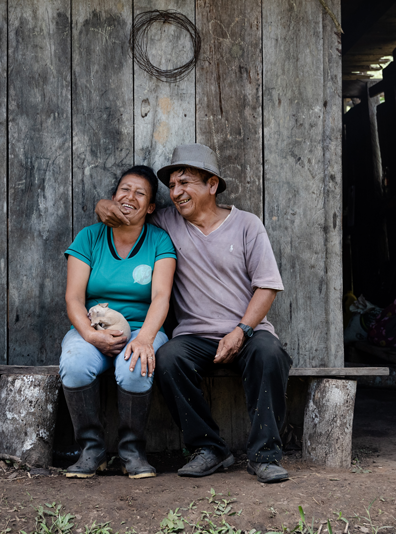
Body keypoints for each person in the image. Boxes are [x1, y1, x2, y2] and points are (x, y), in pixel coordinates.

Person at [96, 144, 293, 484]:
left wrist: (242, 331)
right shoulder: (166, 223)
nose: (176, 192)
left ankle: (265, 456)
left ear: (212, 185)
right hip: (195, 335)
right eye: (172, 186)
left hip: (246, 332)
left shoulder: (247, 225)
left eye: (185, 183)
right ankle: (209, 448)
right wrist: (103, 205)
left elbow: (267, 287)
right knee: (168, 357)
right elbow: (131, 211)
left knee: (270, 353)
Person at [61, 165, 177, 479]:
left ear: (151, 207)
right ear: (113, 197)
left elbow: (161, 298)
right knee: (74, 364)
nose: (130, 197)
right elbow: (73, 298)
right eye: (125, 189)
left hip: (142, 327)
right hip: (92, 327)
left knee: (136, 366)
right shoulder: (89, 237)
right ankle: (91, 451)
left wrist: (144, 339)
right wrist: (88, 334)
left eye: (140, 193)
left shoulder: (159, 241)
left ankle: (131, 452)